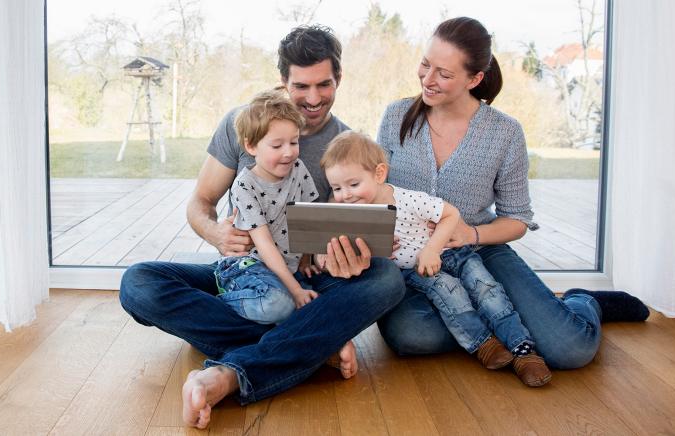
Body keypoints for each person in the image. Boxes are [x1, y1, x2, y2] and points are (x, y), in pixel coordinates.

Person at [118, 25, 405, 430]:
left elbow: (337, 232)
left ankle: (237, 369)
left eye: (324, 84)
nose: (313, 98)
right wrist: (216, 233)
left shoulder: (345, 144)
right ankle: (311, 341)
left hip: (303, 276)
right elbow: (200, 204)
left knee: (387, 279)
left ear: (338, 79)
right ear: (283, 81)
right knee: (138, 283)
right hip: (240, 274)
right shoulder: (243, 125)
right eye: (301, 86)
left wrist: (342, 256)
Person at [375, 17, 649, 369]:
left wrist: (470, 234)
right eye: (426, 64)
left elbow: (517, 219)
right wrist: (380, 240)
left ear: (474, 79)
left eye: (444, 73)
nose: (427, 79)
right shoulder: (396, 115)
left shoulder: (504, 132)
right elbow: (376, 191)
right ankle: (500, 318)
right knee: (413, 336)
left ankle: (583, 301)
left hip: (481, 248)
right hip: (415, 260)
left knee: (570, 349)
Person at [321, 131, 552, 387]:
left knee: (487, 290)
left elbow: (450, 214)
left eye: (353, 185)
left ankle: (524, 350)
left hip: (454, 253)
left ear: (379, 174)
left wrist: (432, 249)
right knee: (451, 294)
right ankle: (483, 345)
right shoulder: (352, 215)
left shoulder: (407, 199)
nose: (346, 195)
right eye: (337, 188)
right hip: (419, 271)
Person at [214, 89, 320, 320]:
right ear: (251, 146)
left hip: (284, 270)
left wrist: (306, 259)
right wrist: (295, 290)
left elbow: (307, 216)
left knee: (307, 304)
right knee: (279, 304)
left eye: (294, 142)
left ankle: (264, 319)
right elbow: (264, 245)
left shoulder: (298, 169)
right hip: (249, 267)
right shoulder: (244, 185)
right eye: (277, 146)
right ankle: (218, 302)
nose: (289, 152)